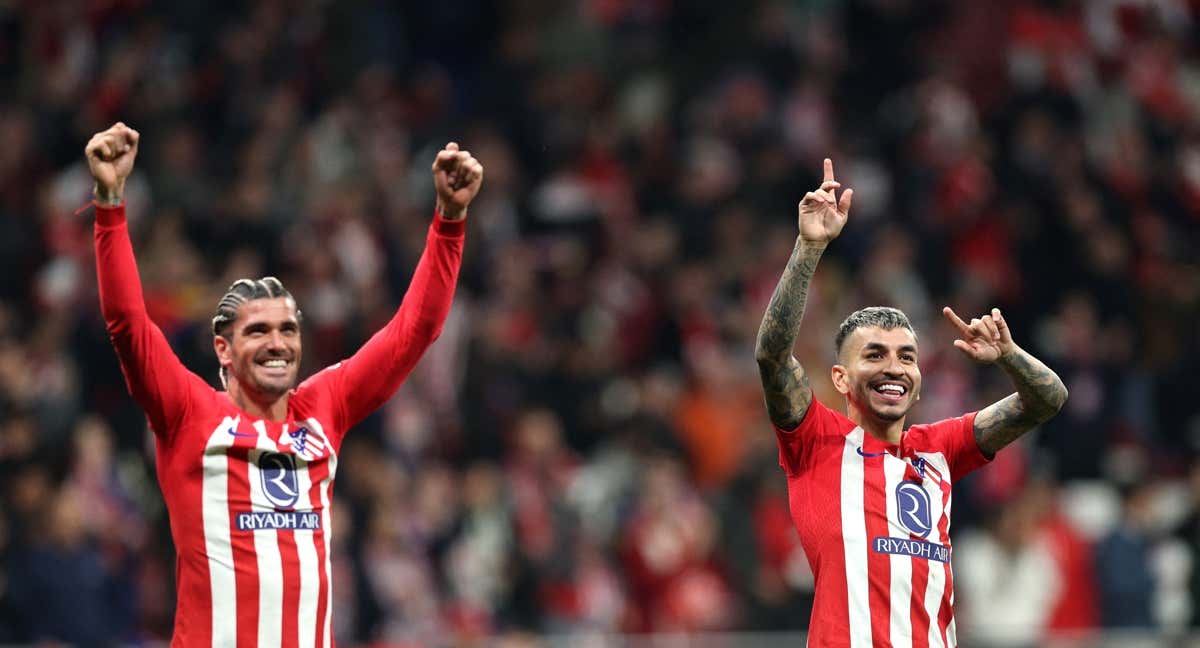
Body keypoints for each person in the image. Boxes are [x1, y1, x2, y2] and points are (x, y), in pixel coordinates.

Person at [85, 122, 482, 646]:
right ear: (223, 349)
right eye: (258, 331)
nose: (278, 343)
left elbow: (416, 331)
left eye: (288, 329)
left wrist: (449, 221)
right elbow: (127, 324)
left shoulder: (323, 407)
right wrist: (110, 202)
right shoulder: (188, 413)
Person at [753, 158, 1068, 647]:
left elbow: (1047, 399)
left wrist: (1008, 355)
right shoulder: (817, 441)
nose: (894, 368)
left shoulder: (939, 449)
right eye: (874, 355)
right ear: (840, 377)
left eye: (906, 357)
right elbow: (773, 357)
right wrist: (810, 247)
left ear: (919, 381)